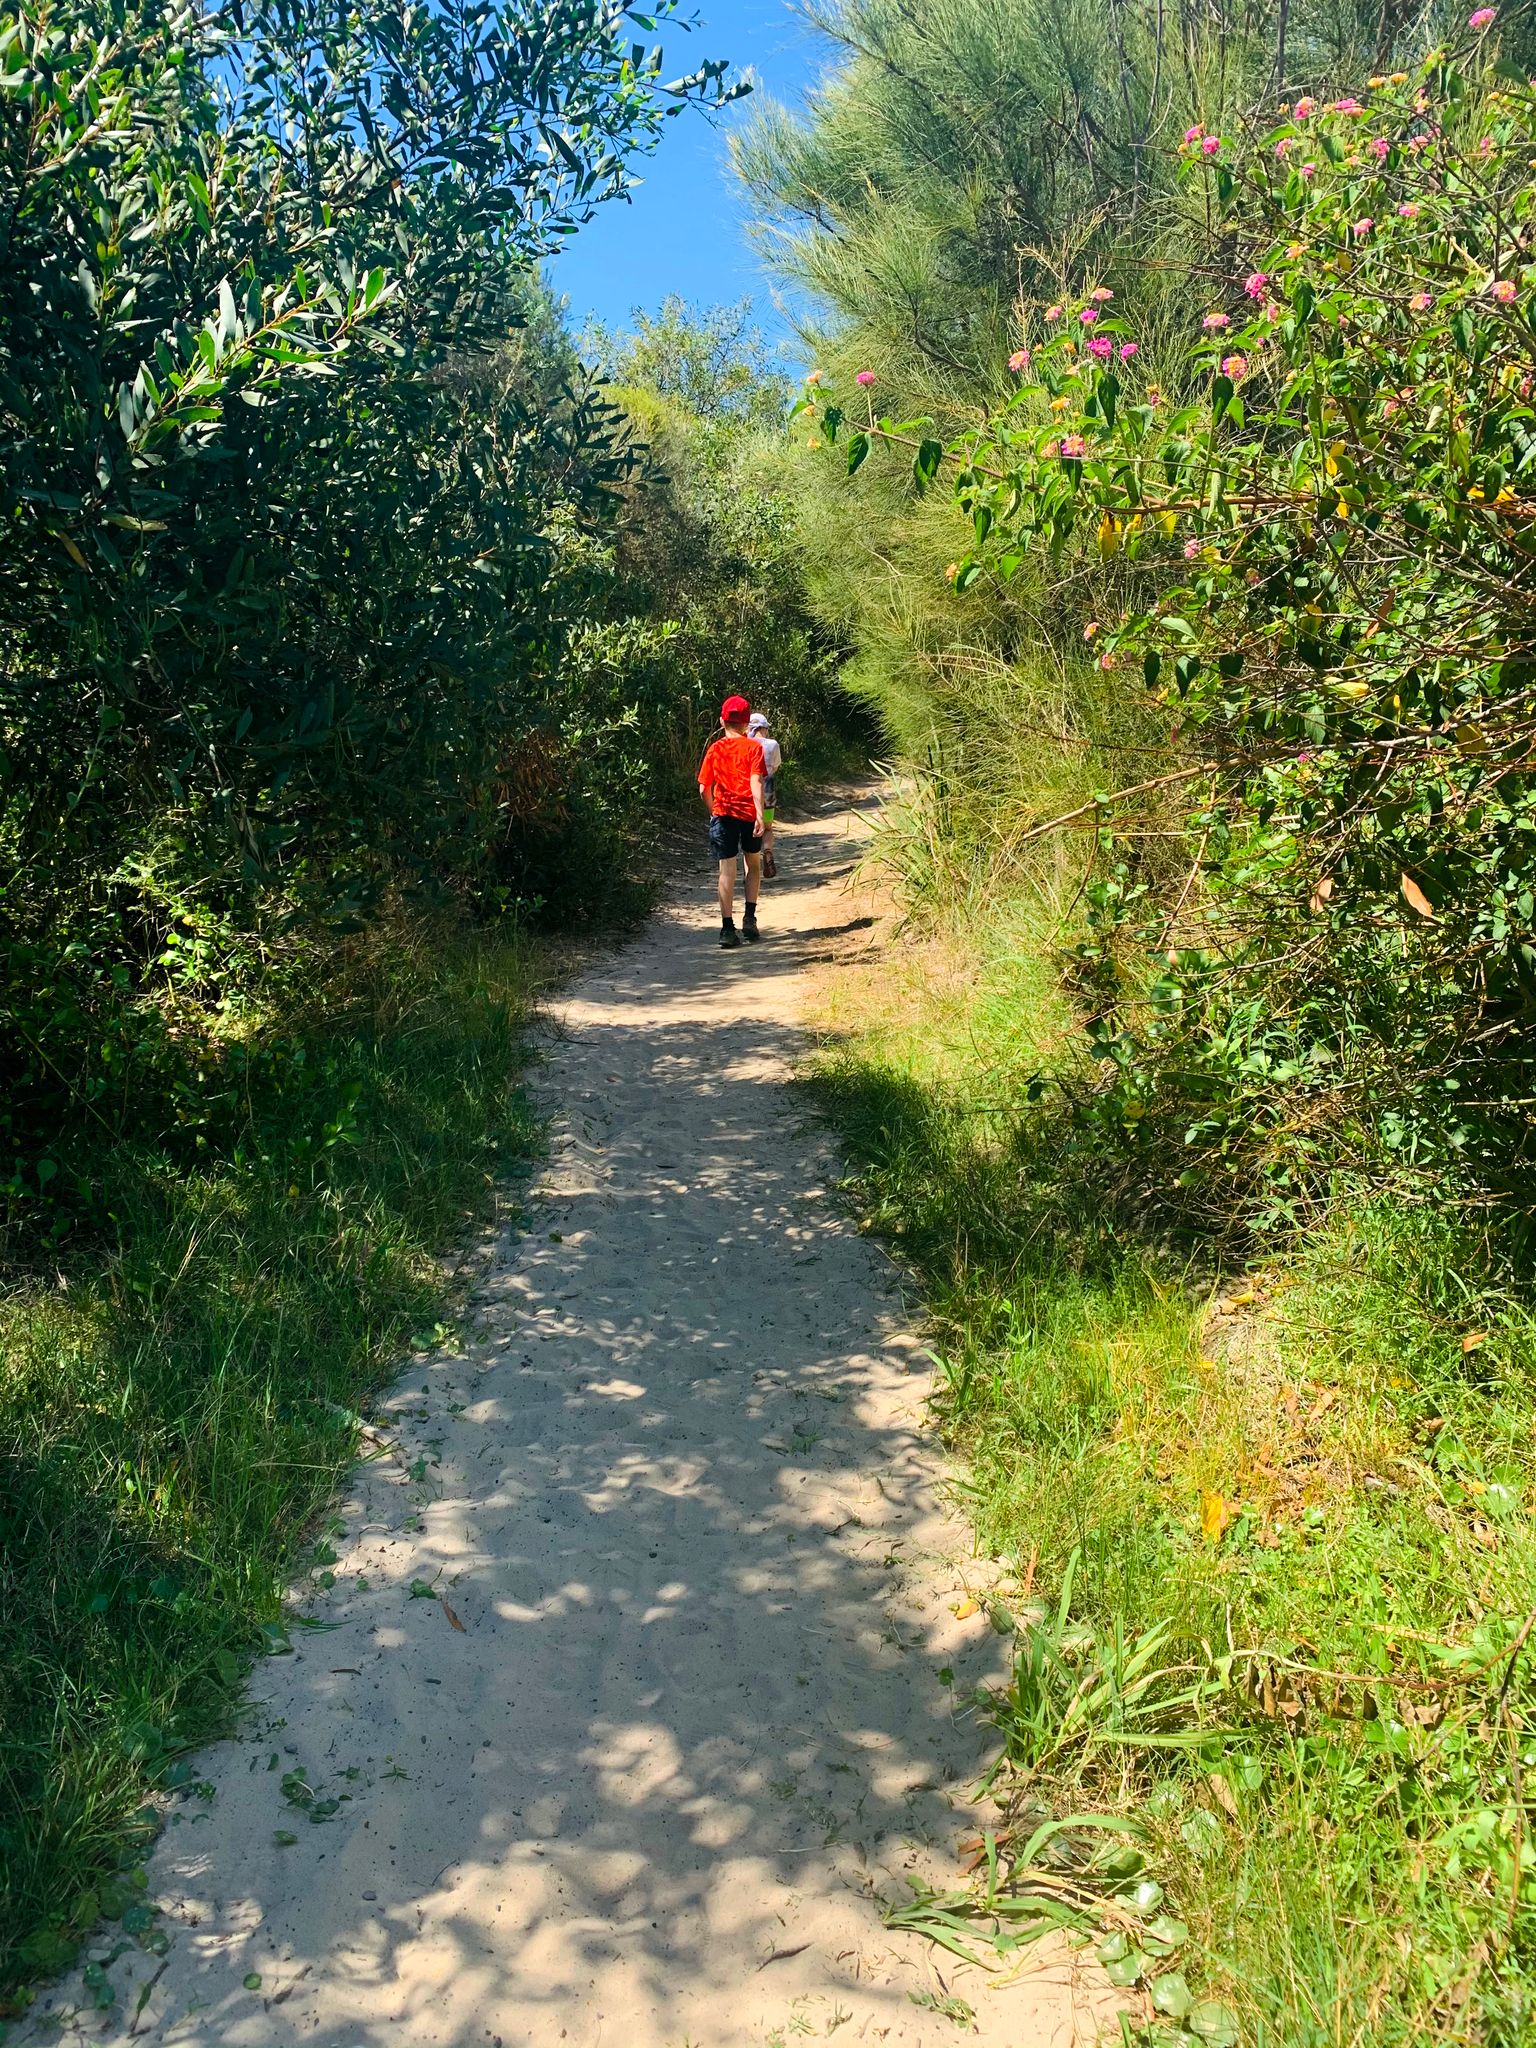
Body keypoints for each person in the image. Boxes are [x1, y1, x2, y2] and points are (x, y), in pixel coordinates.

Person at [697, 695, 766, 949]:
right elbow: (756, 782)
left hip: (723, 814)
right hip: (748, 814)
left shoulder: (715, 749)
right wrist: (761, 814)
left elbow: (704, 787)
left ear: (722, 720)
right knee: (753, 863)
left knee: (726, 870)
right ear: (747, 723)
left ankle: (727, 929)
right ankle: (750, 918)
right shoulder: (754, 748)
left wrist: (713, 810)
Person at [748, 711, 783, 879]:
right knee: (768, 827)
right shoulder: (772, 744)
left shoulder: (745, 743)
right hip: (768, 788)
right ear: (763, 728)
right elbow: (775, 767)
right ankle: (768, 851)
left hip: (748, 790)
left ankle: (750, 872)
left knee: (750, 830)